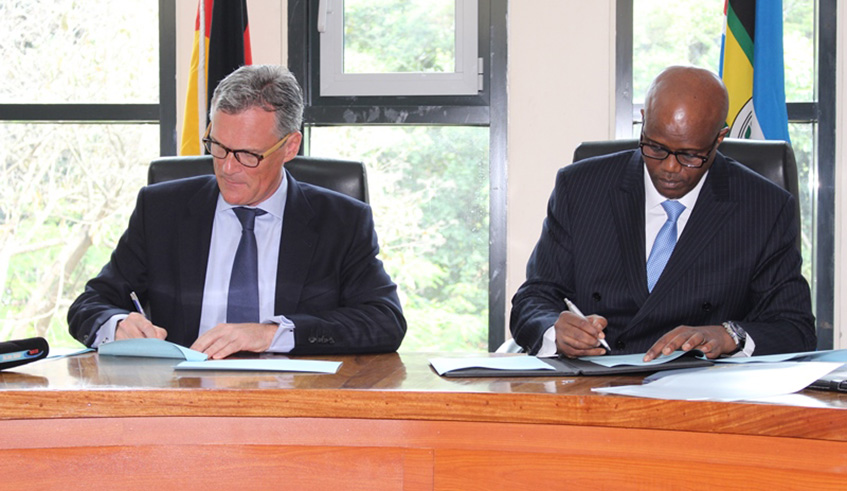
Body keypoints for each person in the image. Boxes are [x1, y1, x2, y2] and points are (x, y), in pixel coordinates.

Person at [69, 65, 406, 359]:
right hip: (181, 403)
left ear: (290, 146)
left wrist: (271, 334)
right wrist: (117, 325)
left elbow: (384, 321)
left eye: (248, 154)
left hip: (294, 406)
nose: (228, 167)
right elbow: (90, 305)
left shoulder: (341, 221)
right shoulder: (161, 211)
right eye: (217, 147)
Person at [510, 65, 815, 361]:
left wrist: (728, 336)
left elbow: (794, 328)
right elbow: (534, 297)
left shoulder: (763, 206)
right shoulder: (581, 187)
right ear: (643, 122)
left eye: (690, 155)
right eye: (655, 147)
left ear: (718, 139)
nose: (670, 168)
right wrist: (555, 330)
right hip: (592, 386)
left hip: (703, 393)